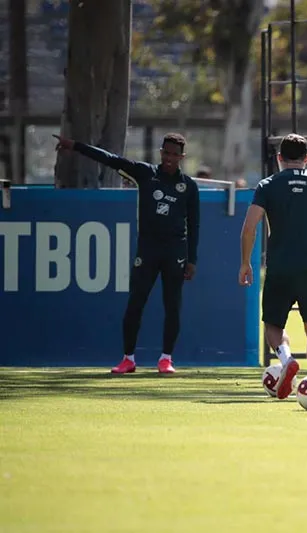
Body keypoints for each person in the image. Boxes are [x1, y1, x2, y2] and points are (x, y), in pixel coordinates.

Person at [54, 133, 200, 374]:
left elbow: (194, 224)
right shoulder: (145, 174)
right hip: (148, 249)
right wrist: (76, 146)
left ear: (182, 157)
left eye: (175, 154)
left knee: (172, 305)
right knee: (135, 303)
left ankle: (166, 359)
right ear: (160, 151)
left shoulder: (189, 186)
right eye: (166, 152)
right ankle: (128, 359)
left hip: (175, 251)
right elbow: (111, 159)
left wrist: (192, 260)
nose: (169, 158)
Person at [239, 133, 307, 400]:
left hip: (279, 266)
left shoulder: (267, 185)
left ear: (279, 158)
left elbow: (249, 228)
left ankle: (286, 358)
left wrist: (245, 262)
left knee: (273, 325)